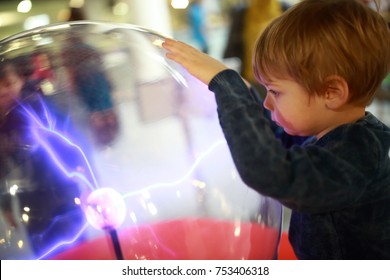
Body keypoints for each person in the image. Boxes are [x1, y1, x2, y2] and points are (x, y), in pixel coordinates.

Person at [163, 0, 390, 259]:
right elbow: (280, 141)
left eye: (275, 91)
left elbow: (273, 172)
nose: (267, 102)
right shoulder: (332, 134)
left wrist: (228, 88)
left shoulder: (360, 152)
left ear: (332, 92)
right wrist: (246, 97)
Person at [0, 58, 90, 257]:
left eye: (8, 84)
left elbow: (72, 146)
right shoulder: (2, 123)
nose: (3, 92)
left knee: (79, 250)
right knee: (47, 252)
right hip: (32, 204)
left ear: (21, 80)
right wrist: (6, 205)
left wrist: (87, 183)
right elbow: (2, 166)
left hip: (64, 192)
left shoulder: (41, 107)